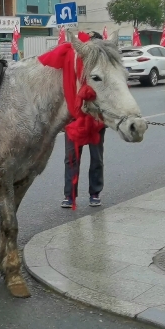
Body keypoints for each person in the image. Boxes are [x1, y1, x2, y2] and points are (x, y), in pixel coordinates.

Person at [62, 30, 106, 209]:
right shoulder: (71, 64)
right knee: (71, 158)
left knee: (96, 158)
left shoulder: (105, 69)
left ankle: (95, 192)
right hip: (74, 118)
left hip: (96, 119)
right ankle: (69, 195)